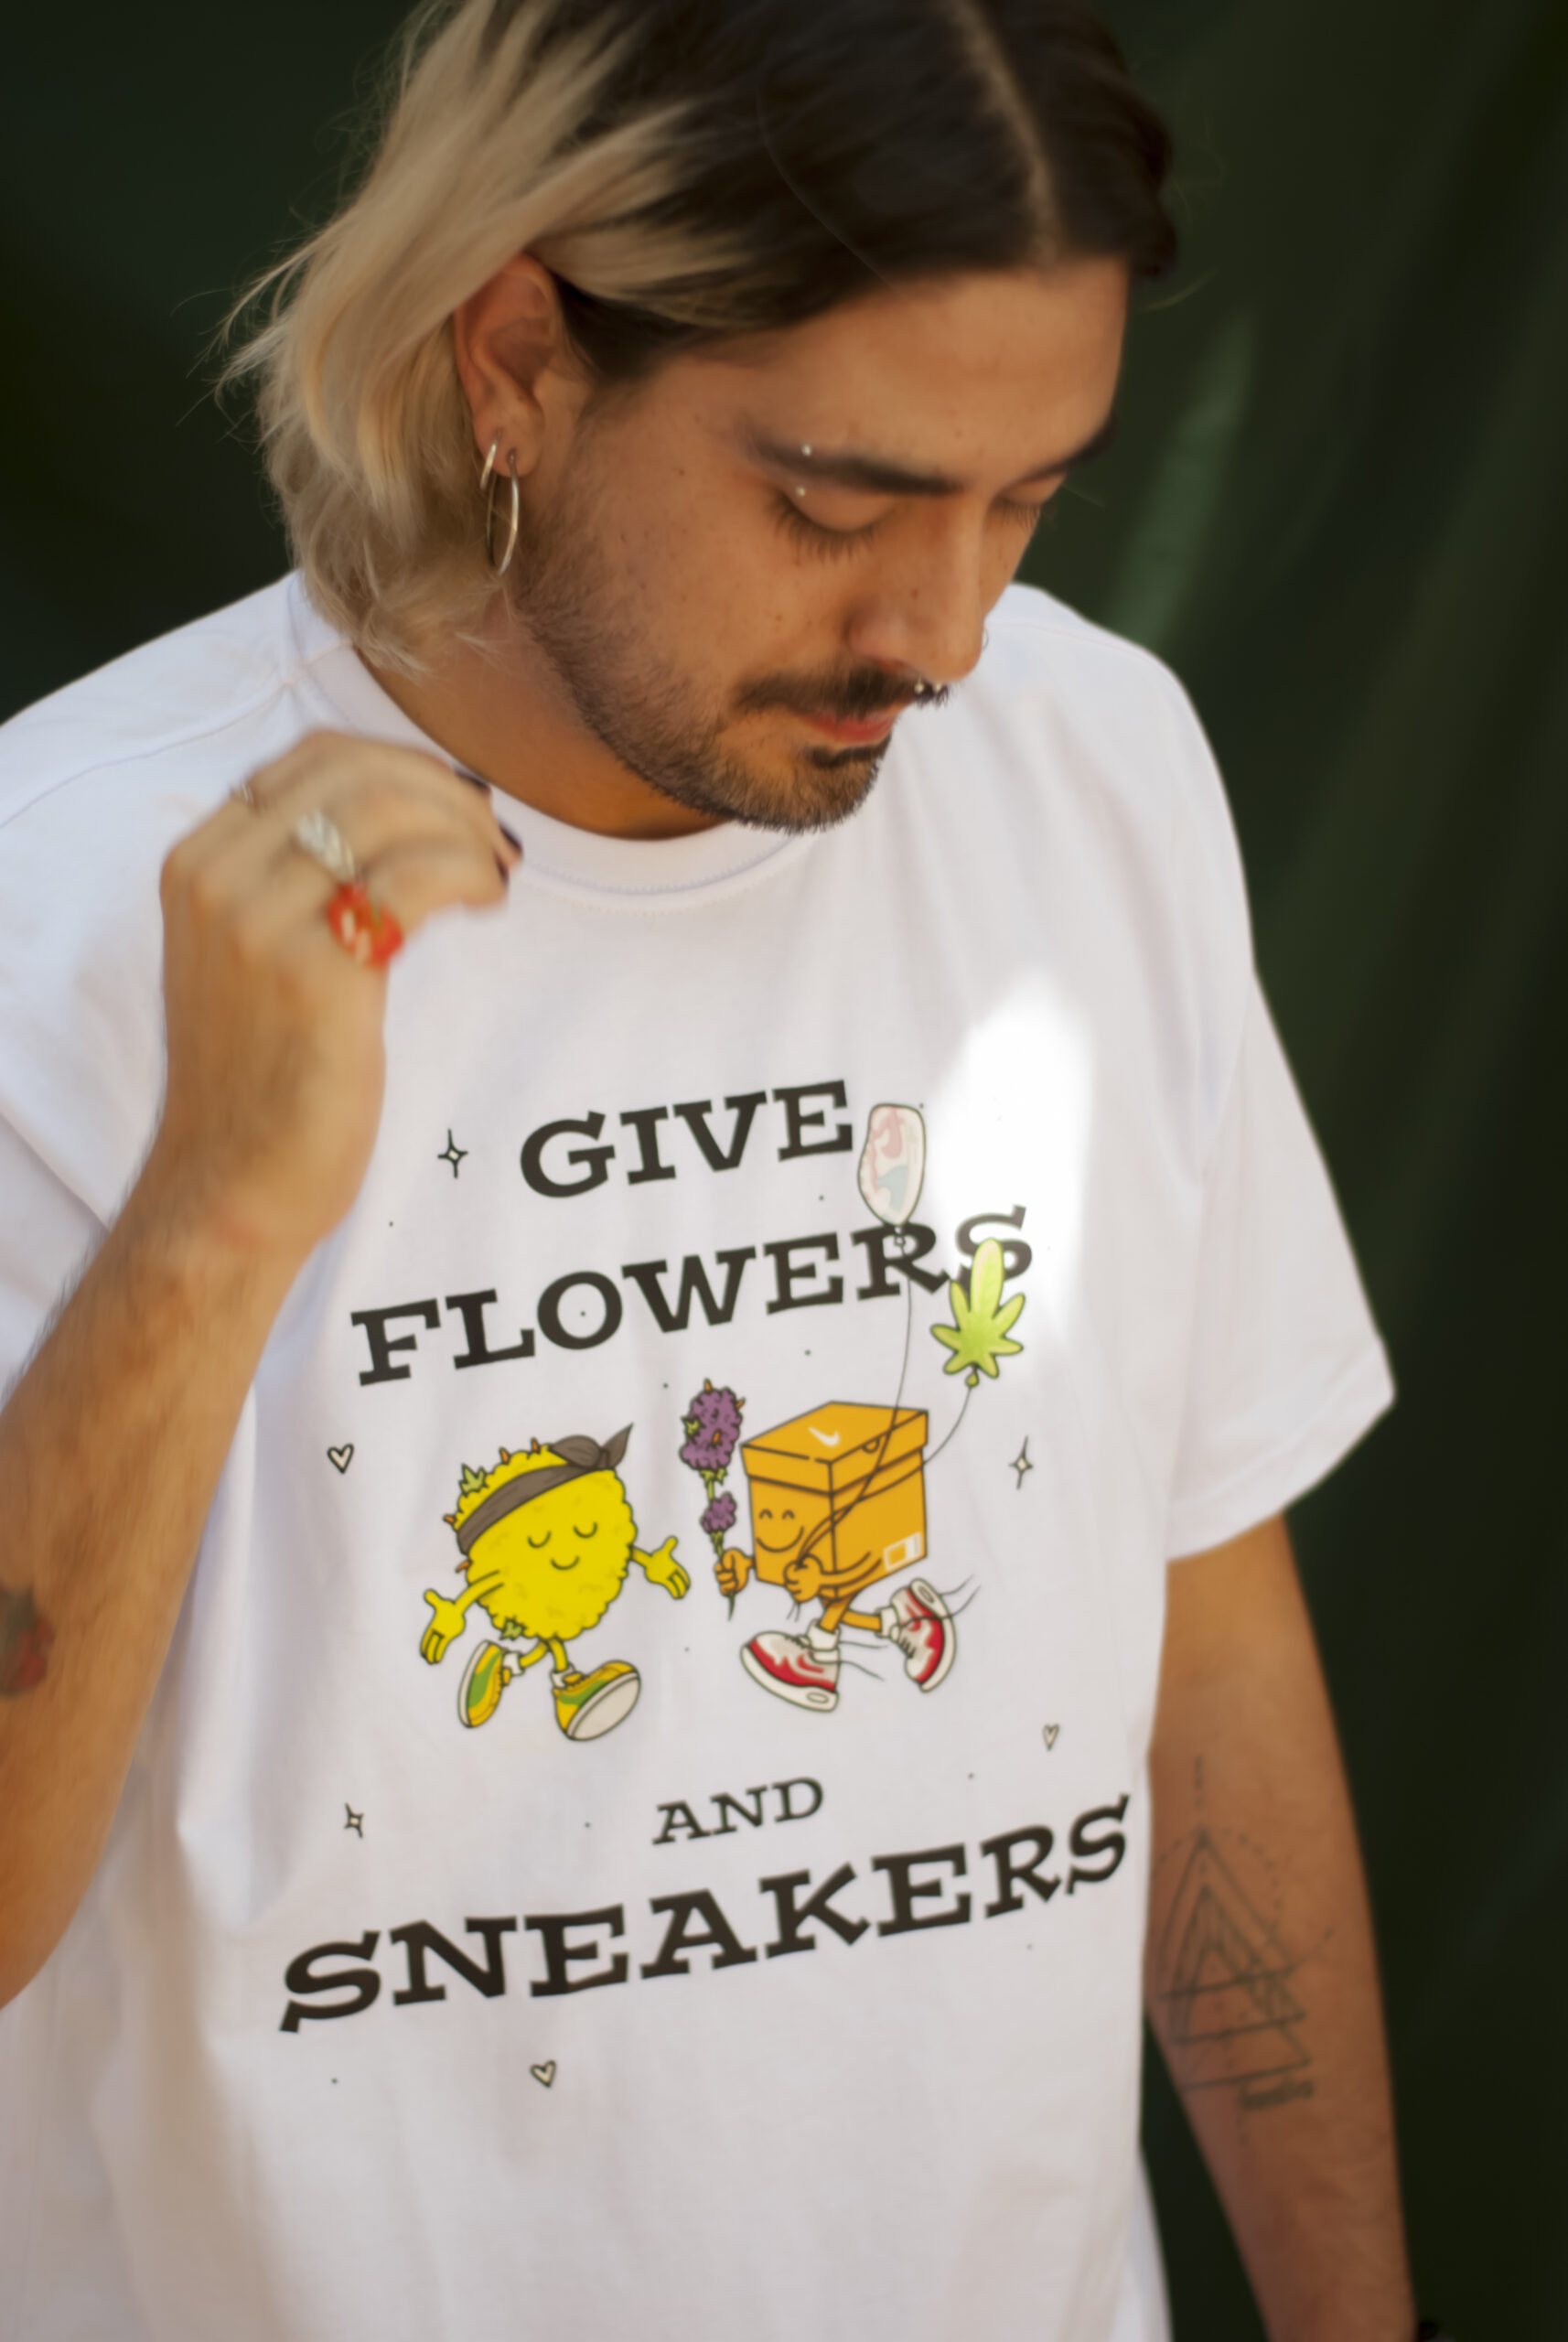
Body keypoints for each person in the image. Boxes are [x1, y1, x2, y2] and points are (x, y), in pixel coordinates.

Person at [0, 2, 1434, 2336]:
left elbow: (1203, 1628)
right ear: (516, 358)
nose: (939, 633)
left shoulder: (1096, 763)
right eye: (835, 505)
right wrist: (216, 1210)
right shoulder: (56, 889)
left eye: (1025, 500)